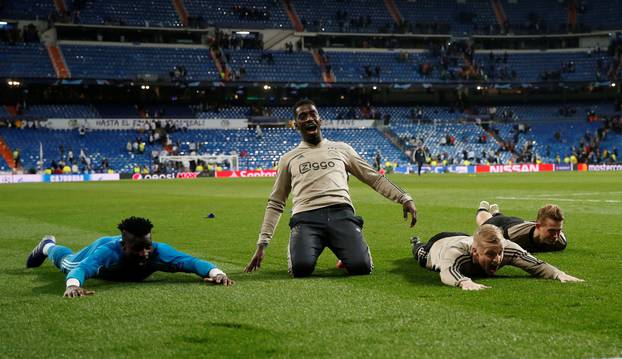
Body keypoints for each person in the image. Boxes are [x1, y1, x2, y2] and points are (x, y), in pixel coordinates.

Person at [244, 99, 417, 277]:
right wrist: (262, 244)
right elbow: (276, 202)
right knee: (300, 269)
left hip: (341, 213)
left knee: (361, 267)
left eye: (313, 114)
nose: (309, 118)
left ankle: (347, 252)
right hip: (306, 218)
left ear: (320, 120)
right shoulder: (288, 159)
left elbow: (374, 178)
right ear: (296, 124)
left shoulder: (342, 149)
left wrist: (404, 197)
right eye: (303, 116)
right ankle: (330, 249)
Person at [26, 216, 233, 298]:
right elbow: (79, 270)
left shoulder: (159, 251)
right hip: (97, 248)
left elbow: (192, 262)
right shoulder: (108, 252)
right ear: (124, 245)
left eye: (148, 247)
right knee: (66, 262)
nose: (145, 253)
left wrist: (217, 273)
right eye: (138, 249)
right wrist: (72, 285)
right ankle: (48, 246)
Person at [411, 224, 583, 291]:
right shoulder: (455, 253)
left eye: (499, 253)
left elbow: (535, 264)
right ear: (474, 253)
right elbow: (447, 272)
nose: (497, 259)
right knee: (421, 255)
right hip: (439, 244)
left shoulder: (506, 247)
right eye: (490, 254)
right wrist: (464, 282)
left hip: (466, 236)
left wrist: (558, 274)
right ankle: (416, 242)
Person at [475, 201, 567, 252]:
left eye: (558, 231)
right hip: (503, 224)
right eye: (551, 231)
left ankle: (496, 212)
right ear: (538, 226)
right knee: (485, 227)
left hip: (519, 222)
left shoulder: (560, 242)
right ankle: (483, 209)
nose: (556, 236)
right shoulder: (514, 236)